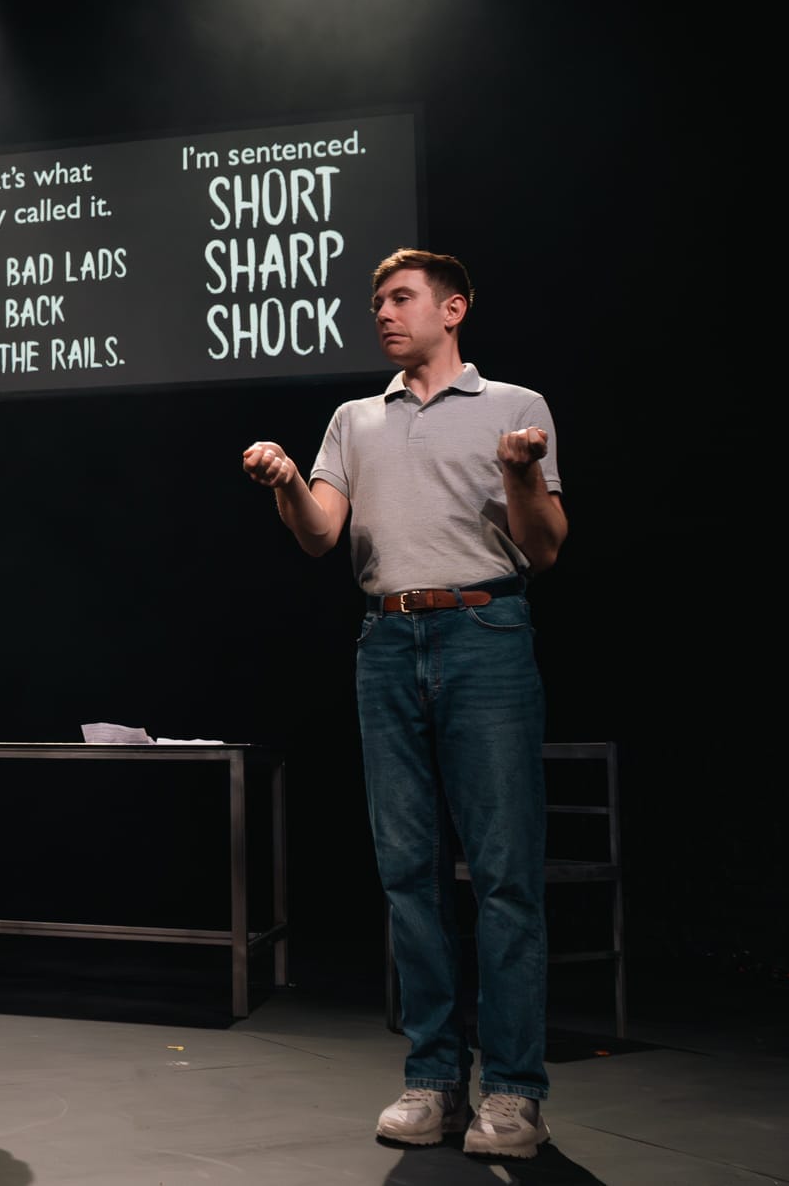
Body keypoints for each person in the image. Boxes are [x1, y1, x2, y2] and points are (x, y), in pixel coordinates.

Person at [241, 248, 566, 1160]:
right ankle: (433, 1079)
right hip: (386, 641)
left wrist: (520, 473)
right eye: (377, 301)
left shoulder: (515, 407)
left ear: (453, 307)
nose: (383, 313)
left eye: (401, 298)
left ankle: (514, 1092)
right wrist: (287, 482)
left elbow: (544, 548)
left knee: (503, 874)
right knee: (408, 872)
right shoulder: (355, 418)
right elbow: (321, 535)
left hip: (485, 630)